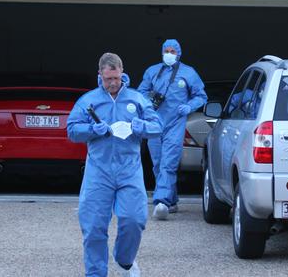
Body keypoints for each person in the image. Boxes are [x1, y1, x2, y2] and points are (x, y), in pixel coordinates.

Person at [67, 52, 162, 277]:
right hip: (98, 171)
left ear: (122, 73)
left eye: (116, 79)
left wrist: (140, 126)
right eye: (107, 79)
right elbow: (72, 130)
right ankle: (96, 273)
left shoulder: (137, 99)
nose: (112, 83)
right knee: (93, 228)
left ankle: (124, 260)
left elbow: (157, 127)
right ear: (100, 74)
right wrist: (92, 130)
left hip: (129, 170)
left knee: (134, 219)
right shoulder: (88, 101)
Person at [138, 39, 207, 220]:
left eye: (172, 51)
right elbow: (141, 92)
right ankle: (172, 199)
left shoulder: (189, 73)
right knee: (158, 163)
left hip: (175, 123)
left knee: (168, 162)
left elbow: (201, 96)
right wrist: (148, 101)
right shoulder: (152, 72)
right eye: (166, 51)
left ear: (179, 53)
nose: (169, 54)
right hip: (154, 123)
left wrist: (189, 106)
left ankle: (161, 201)